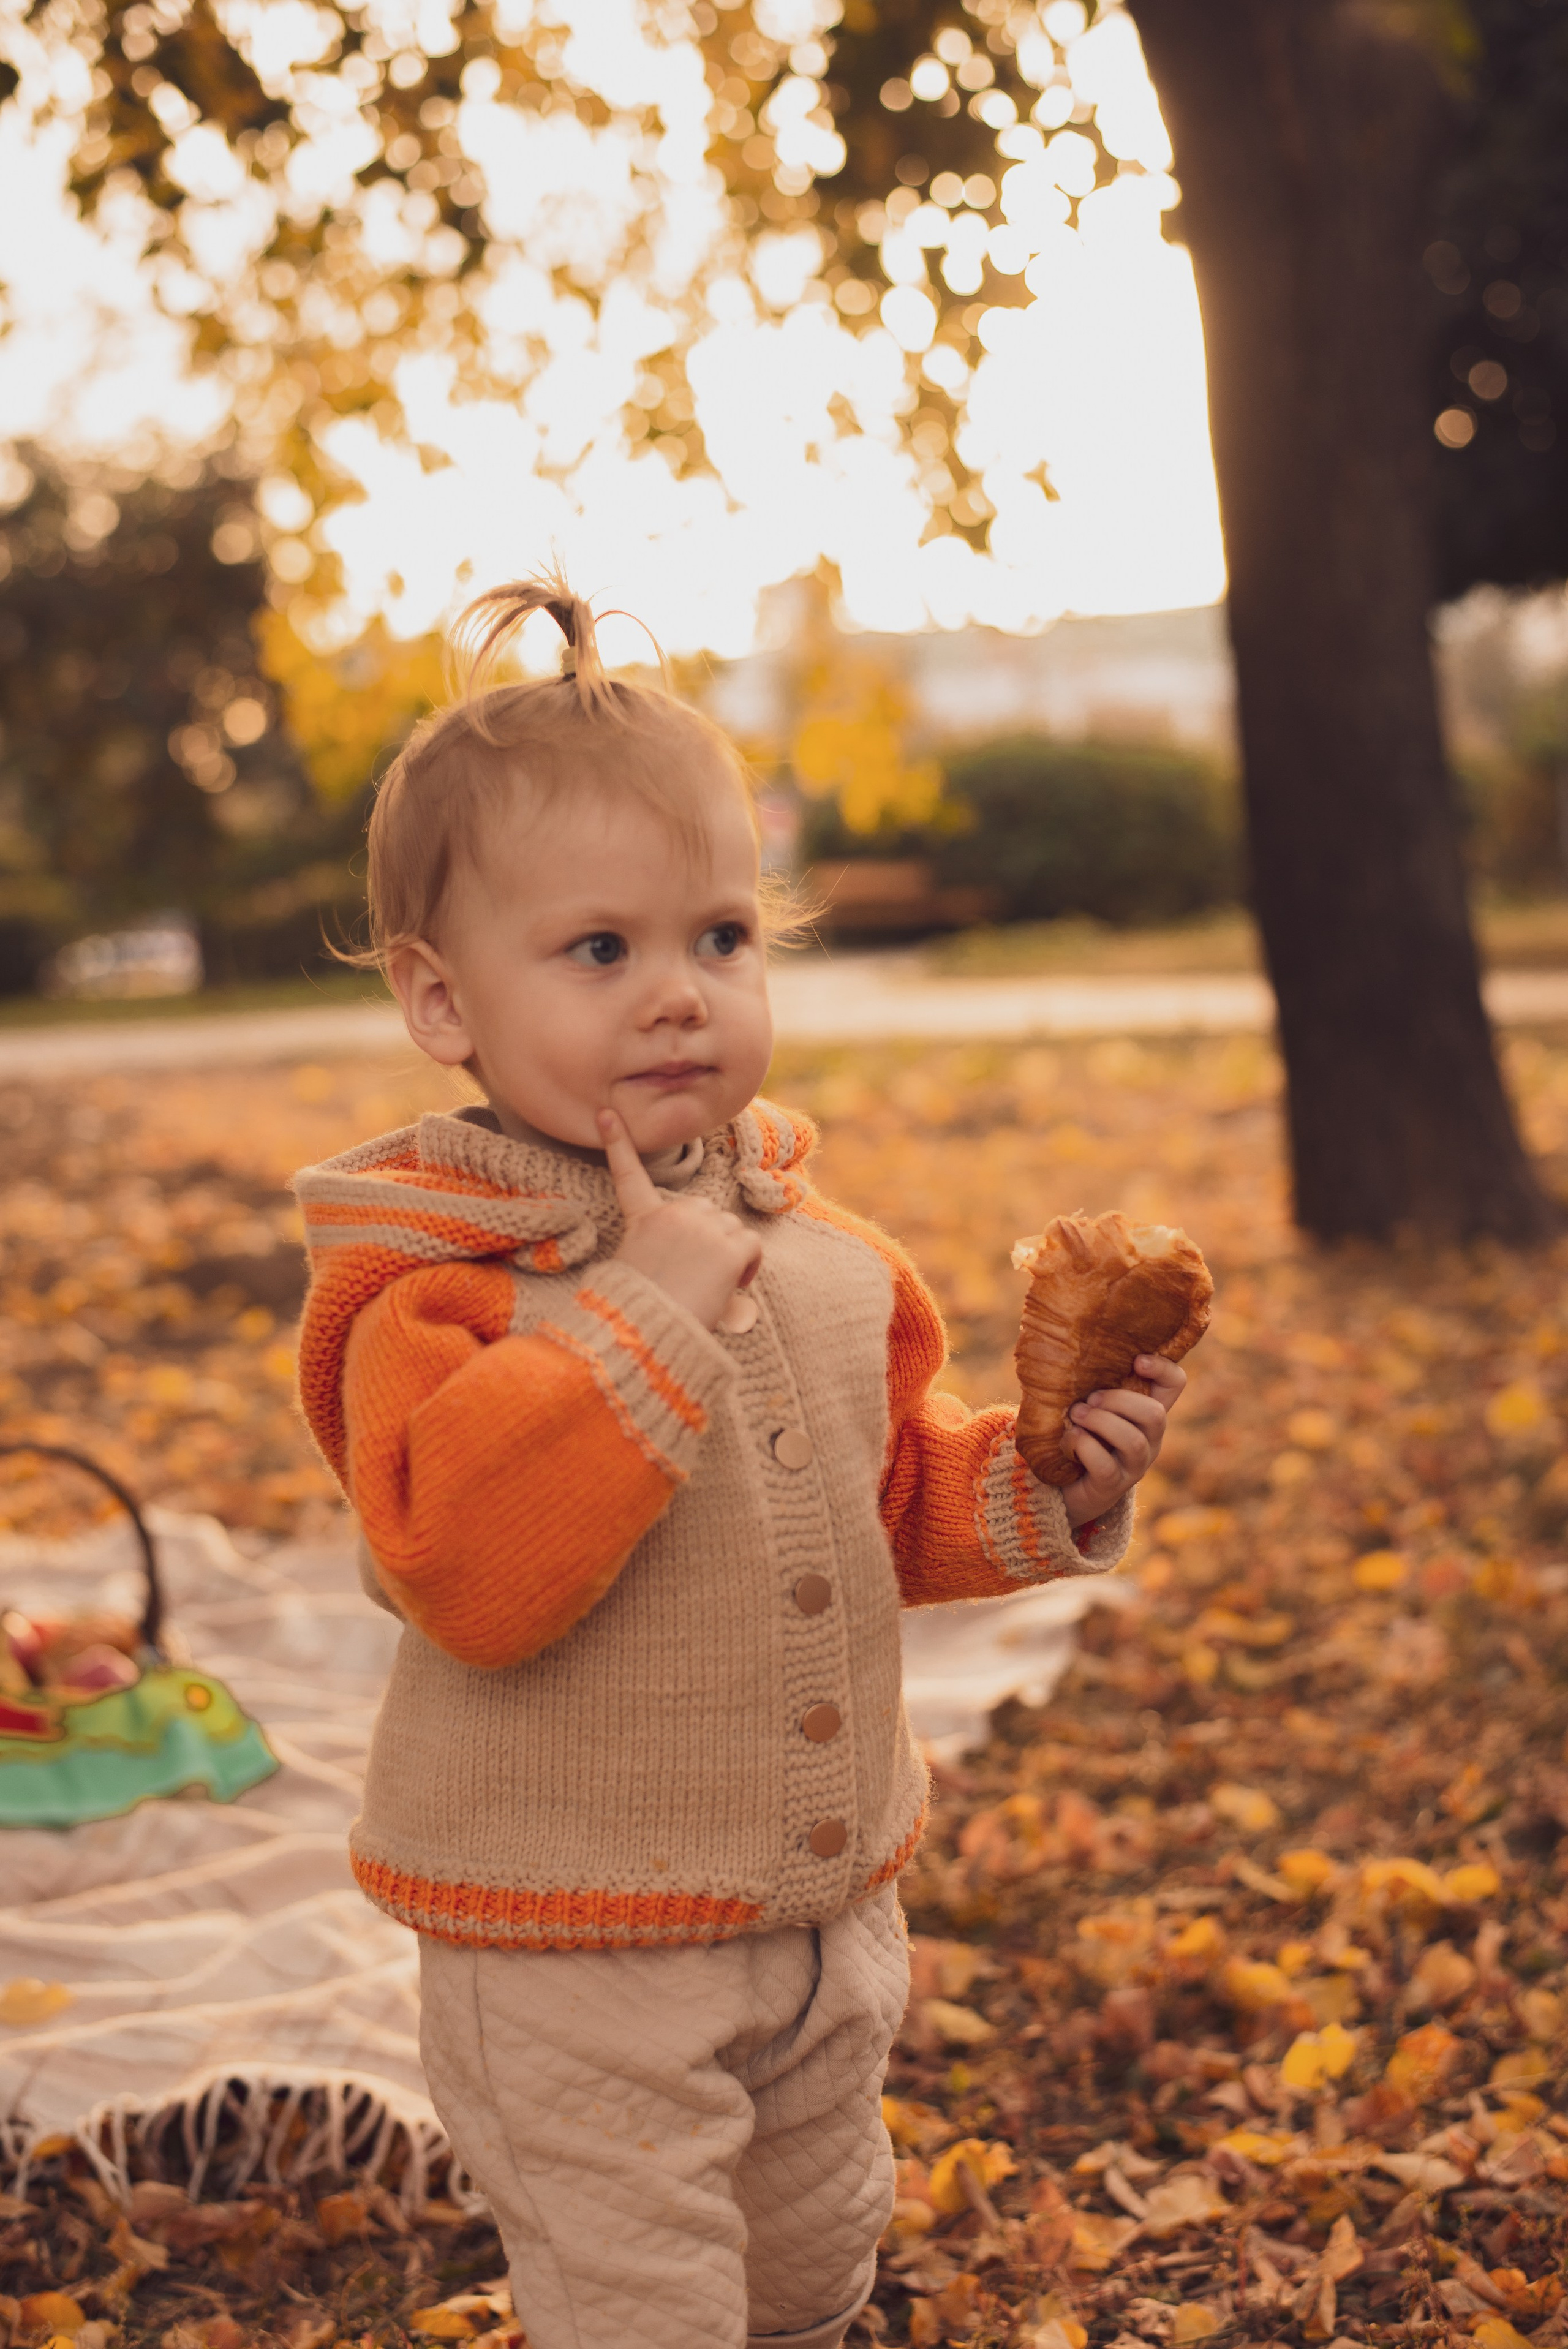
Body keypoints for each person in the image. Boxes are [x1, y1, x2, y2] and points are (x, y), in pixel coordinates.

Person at [292, 571, 1186, 2349]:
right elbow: (460, 1567)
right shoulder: (439, 1296)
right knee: (648, 2310)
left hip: (820, 1924)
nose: (678, 996)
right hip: (566, 1946)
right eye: (599, 951)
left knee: (808, 2272)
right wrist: (642, 1317)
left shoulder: (826, 1258)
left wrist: (1054, 1486)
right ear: (442, 1000)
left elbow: (883, 1497)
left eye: (719, 937)